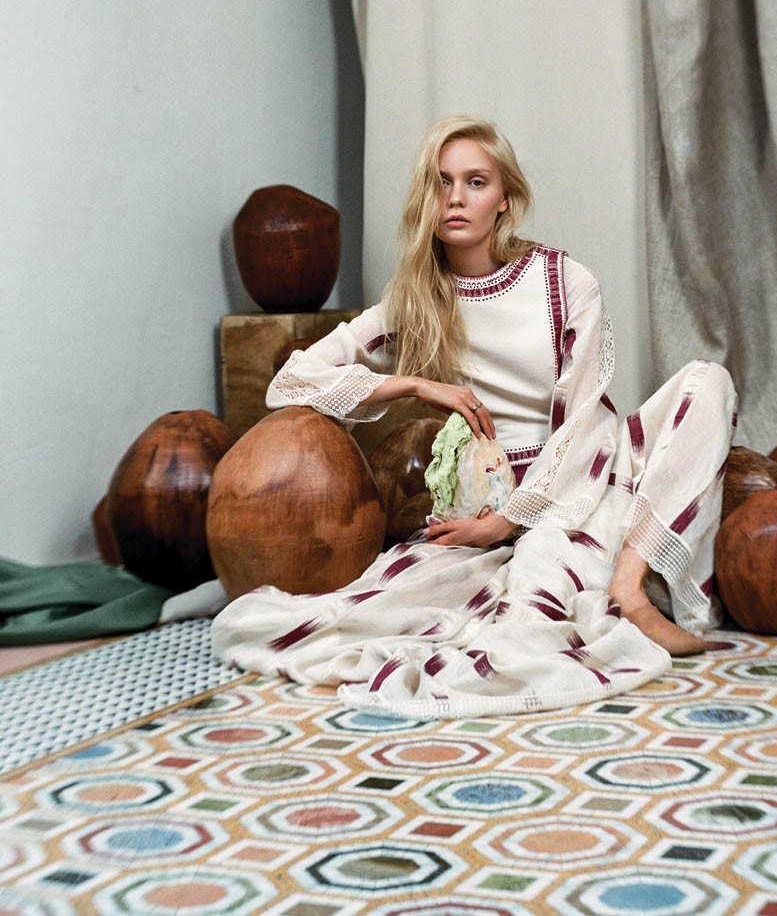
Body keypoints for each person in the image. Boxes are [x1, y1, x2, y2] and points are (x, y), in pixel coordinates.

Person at [212, 116, 737, 718]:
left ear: (505, 198)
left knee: (708, 381)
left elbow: (585, 420)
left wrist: (510, 520)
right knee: (493, 611)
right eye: (441, 182)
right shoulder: (415, 299)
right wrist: (413, 384)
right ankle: (574, 570)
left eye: (476, 182)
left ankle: (630, 582)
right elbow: (291, 381)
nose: (456, 198)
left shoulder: (564, 281)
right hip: (489, 493)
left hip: (589, 473)